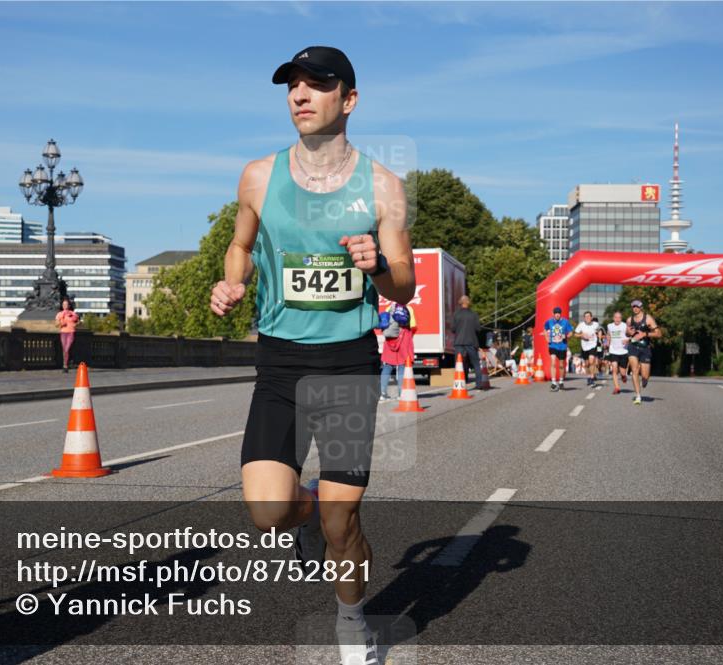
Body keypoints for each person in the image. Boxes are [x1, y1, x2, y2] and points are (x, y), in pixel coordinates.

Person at [209, 45, 415, 665]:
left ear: (348, 99)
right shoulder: (257, 176)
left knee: (340, 523)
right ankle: (312, 514)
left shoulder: (382, 186)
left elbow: (403, 282)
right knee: (270, 512)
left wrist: (378, 265)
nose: (300, 95)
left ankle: (353, 622)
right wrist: (234, 279)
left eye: (316, 85)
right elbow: (239, 244)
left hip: (349, 365)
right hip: (280, 363)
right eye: (292, 85)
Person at [626, 299, 661, 405]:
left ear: (641, 307)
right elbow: (627, 333)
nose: (635, 308)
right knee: (635, 370)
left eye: (637, 306)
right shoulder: (629, 319)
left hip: (645, 348)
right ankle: (638, 396)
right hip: (633, 347)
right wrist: (628, 332)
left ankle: (644, 380)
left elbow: (659, 334)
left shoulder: (648, 319)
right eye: (633, 307)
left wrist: (645, 334)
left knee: (645, 376)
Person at [378, 302, 416, 402]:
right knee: (402, 366)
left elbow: (385, 324)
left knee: (387, 366)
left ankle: (383, 394)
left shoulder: (389, 308)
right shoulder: (408, 308)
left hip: (390, 340)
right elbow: (413, 326)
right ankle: (401, 394)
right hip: (404, 338)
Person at [451, 295, 484, 389]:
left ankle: (460, 384)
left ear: (460, 303)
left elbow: (453, 329)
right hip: (471, 341)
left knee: (459, 363)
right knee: (475, 363)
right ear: (468, 303)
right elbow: (478, 329)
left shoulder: (456, 314)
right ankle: (479, 384)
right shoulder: (474, 314)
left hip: (459, 342)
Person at [544, 306, 574, 391]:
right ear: (553, 314)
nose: (557, 315)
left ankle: (561, 381)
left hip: (562, 346)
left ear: (560, 314)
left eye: (558, 313)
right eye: (556, 313)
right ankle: (553, 383)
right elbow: (545, 329)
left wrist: (566, 336)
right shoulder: (549, 321)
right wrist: (547, 338)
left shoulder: (565, 322)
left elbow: (571, 332)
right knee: (553, 362)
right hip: (552, 345)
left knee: (561, 365)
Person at [575, 311, 603, 388]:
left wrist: (599, 339)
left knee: (592, 361)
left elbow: (599, 330)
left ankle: (592, 378)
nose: (587, 318)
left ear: (591, 317)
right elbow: (575, 334)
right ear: (584, 318)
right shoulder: (581, 325)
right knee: (587, 364)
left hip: (593, 345)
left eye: (589, 316)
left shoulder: (595, 324)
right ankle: (588, 377)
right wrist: (582, 335)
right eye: (586, 317)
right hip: (584, 346)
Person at [606, 311, 630, 394]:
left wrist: (627, 340)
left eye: (619, 317)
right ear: (613, 318)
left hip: (623, 351)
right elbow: (608, 334)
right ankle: (617, 388)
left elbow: (631, 335)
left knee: (622, 371)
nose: (617, 319)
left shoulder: (625, 326)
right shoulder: (609, 326)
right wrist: (608, 341)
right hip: (613, 350)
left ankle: (623, 376)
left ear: (621, 318)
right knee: (614, 369)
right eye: (616, 317)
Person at [54, 298, 79, 373]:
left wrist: (76, 324)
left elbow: (78, 322)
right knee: (64, 349)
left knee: (67, 349)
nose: (65, 306)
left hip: (71, 332)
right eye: (63, 304)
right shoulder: (59, 314)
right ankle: (65, 365)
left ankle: (67, 363)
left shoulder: (73, 313)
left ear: (69, 305)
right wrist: (61, 323)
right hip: (63, 332)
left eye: (66, 304)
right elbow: (56, 325)